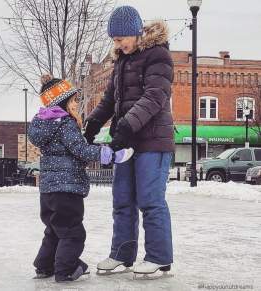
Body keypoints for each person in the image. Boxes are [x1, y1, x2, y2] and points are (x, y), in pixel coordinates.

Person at [84, 5, 175, 275]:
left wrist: (124, 127)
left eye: (121, 38)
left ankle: (159, 258)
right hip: (127, 142)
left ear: (136, 32)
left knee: (150, 200)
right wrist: (92, 123)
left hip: (153, 140)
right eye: (114, 39)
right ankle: (122, 255)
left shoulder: (158, 55)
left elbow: (154, 97)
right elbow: (110, 100)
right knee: (122, 200)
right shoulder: (122, 62)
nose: (117, 43)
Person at [28, 74, 133, 282]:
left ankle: (44, 266)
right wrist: (111, 155)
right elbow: (81, 150)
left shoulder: (43, 125)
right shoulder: (65, 123)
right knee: (73, 233)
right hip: (67, 189)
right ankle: (66, 269)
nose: (76, 103)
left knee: (54, 230)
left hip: (48, 190)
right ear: (63, 101)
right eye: (74, 99)